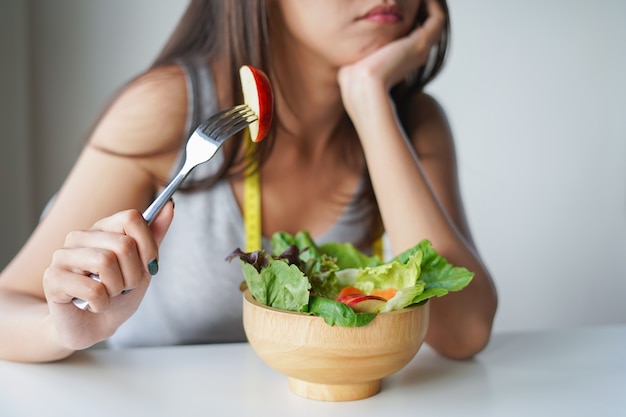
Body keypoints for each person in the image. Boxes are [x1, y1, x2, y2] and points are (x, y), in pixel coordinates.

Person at [0, 0, 497, 363]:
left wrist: (369, 100)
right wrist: (62, 329)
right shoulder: (169, 109)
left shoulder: (410, 122)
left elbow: (465, 331)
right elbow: (8, 305)